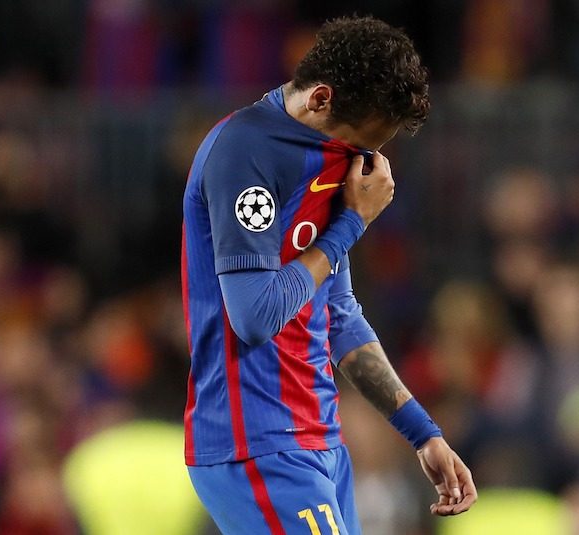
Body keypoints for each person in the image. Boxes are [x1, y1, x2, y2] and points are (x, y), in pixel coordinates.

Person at [181, 15, 477, 534]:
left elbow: (337, 315)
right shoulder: (245, 152)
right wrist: (353, 224)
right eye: (361, 144)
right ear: (320, 99)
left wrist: (423, 434)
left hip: (322, 443)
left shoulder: (331, 161)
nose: (367, 161)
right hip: (257, 444)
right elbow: (255, 316)